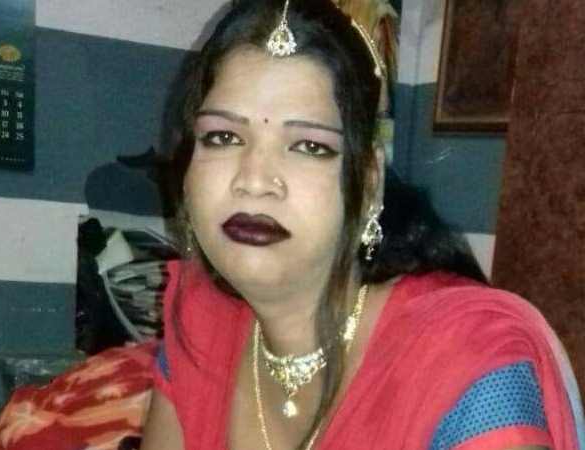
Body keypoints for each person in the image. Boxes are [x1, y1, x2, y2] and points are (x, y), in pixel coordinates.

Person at [141, 0, 585, 449]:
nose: (254, 180)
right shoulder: (200, 317)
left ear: (369, 185)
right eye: (223, 137)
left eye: (309, 146)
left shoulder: (467, 362)